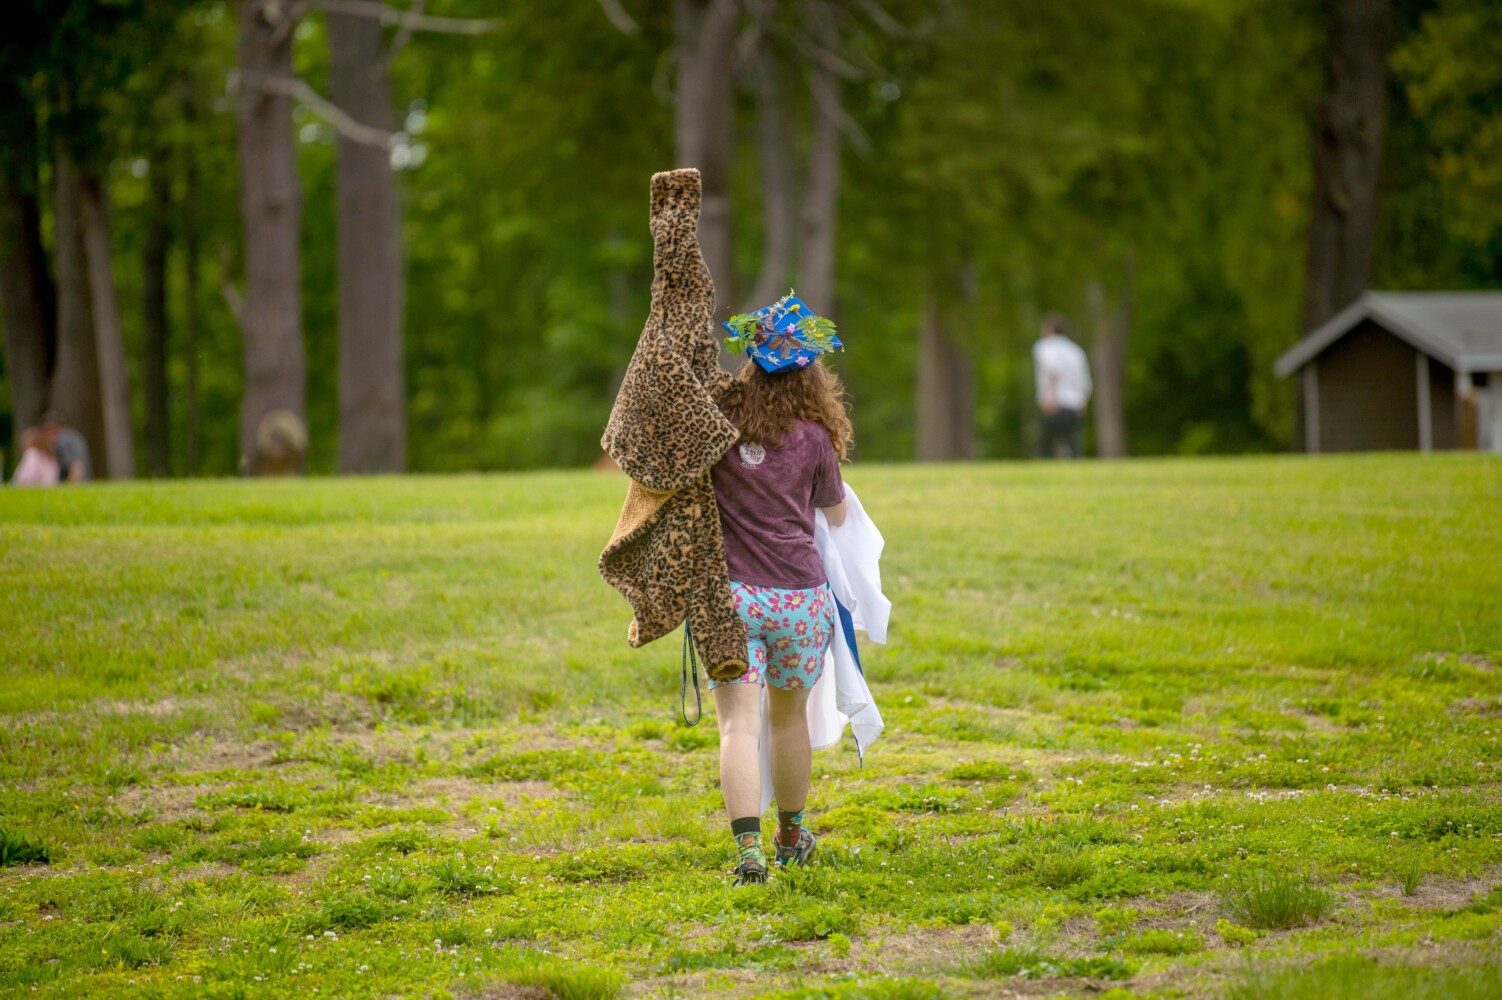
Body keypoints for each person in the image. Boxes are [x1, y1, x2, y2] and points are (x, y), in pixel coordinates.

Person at [710, 292, 851, 885]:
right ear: (810, 372)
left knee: (738, 725)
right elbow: (837, 519)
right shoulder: (817, 439)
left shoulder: (718, 425)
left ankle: (748, 854)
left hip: (734, 599)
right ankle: (791, 840)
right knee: (788, 722)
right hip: (800, 600)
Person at [1032, 313, 1092, 459]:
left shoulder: (1044, 347)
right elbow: (1083, 376)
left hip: (1055, 402)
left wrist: (1051, 397)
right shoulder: (1075, 350)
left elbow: (1053, 371)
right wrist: (1083, 399)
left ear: (1049, 330)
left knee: (1045, 444)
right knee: (1073, 443)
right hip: (1074, 403)